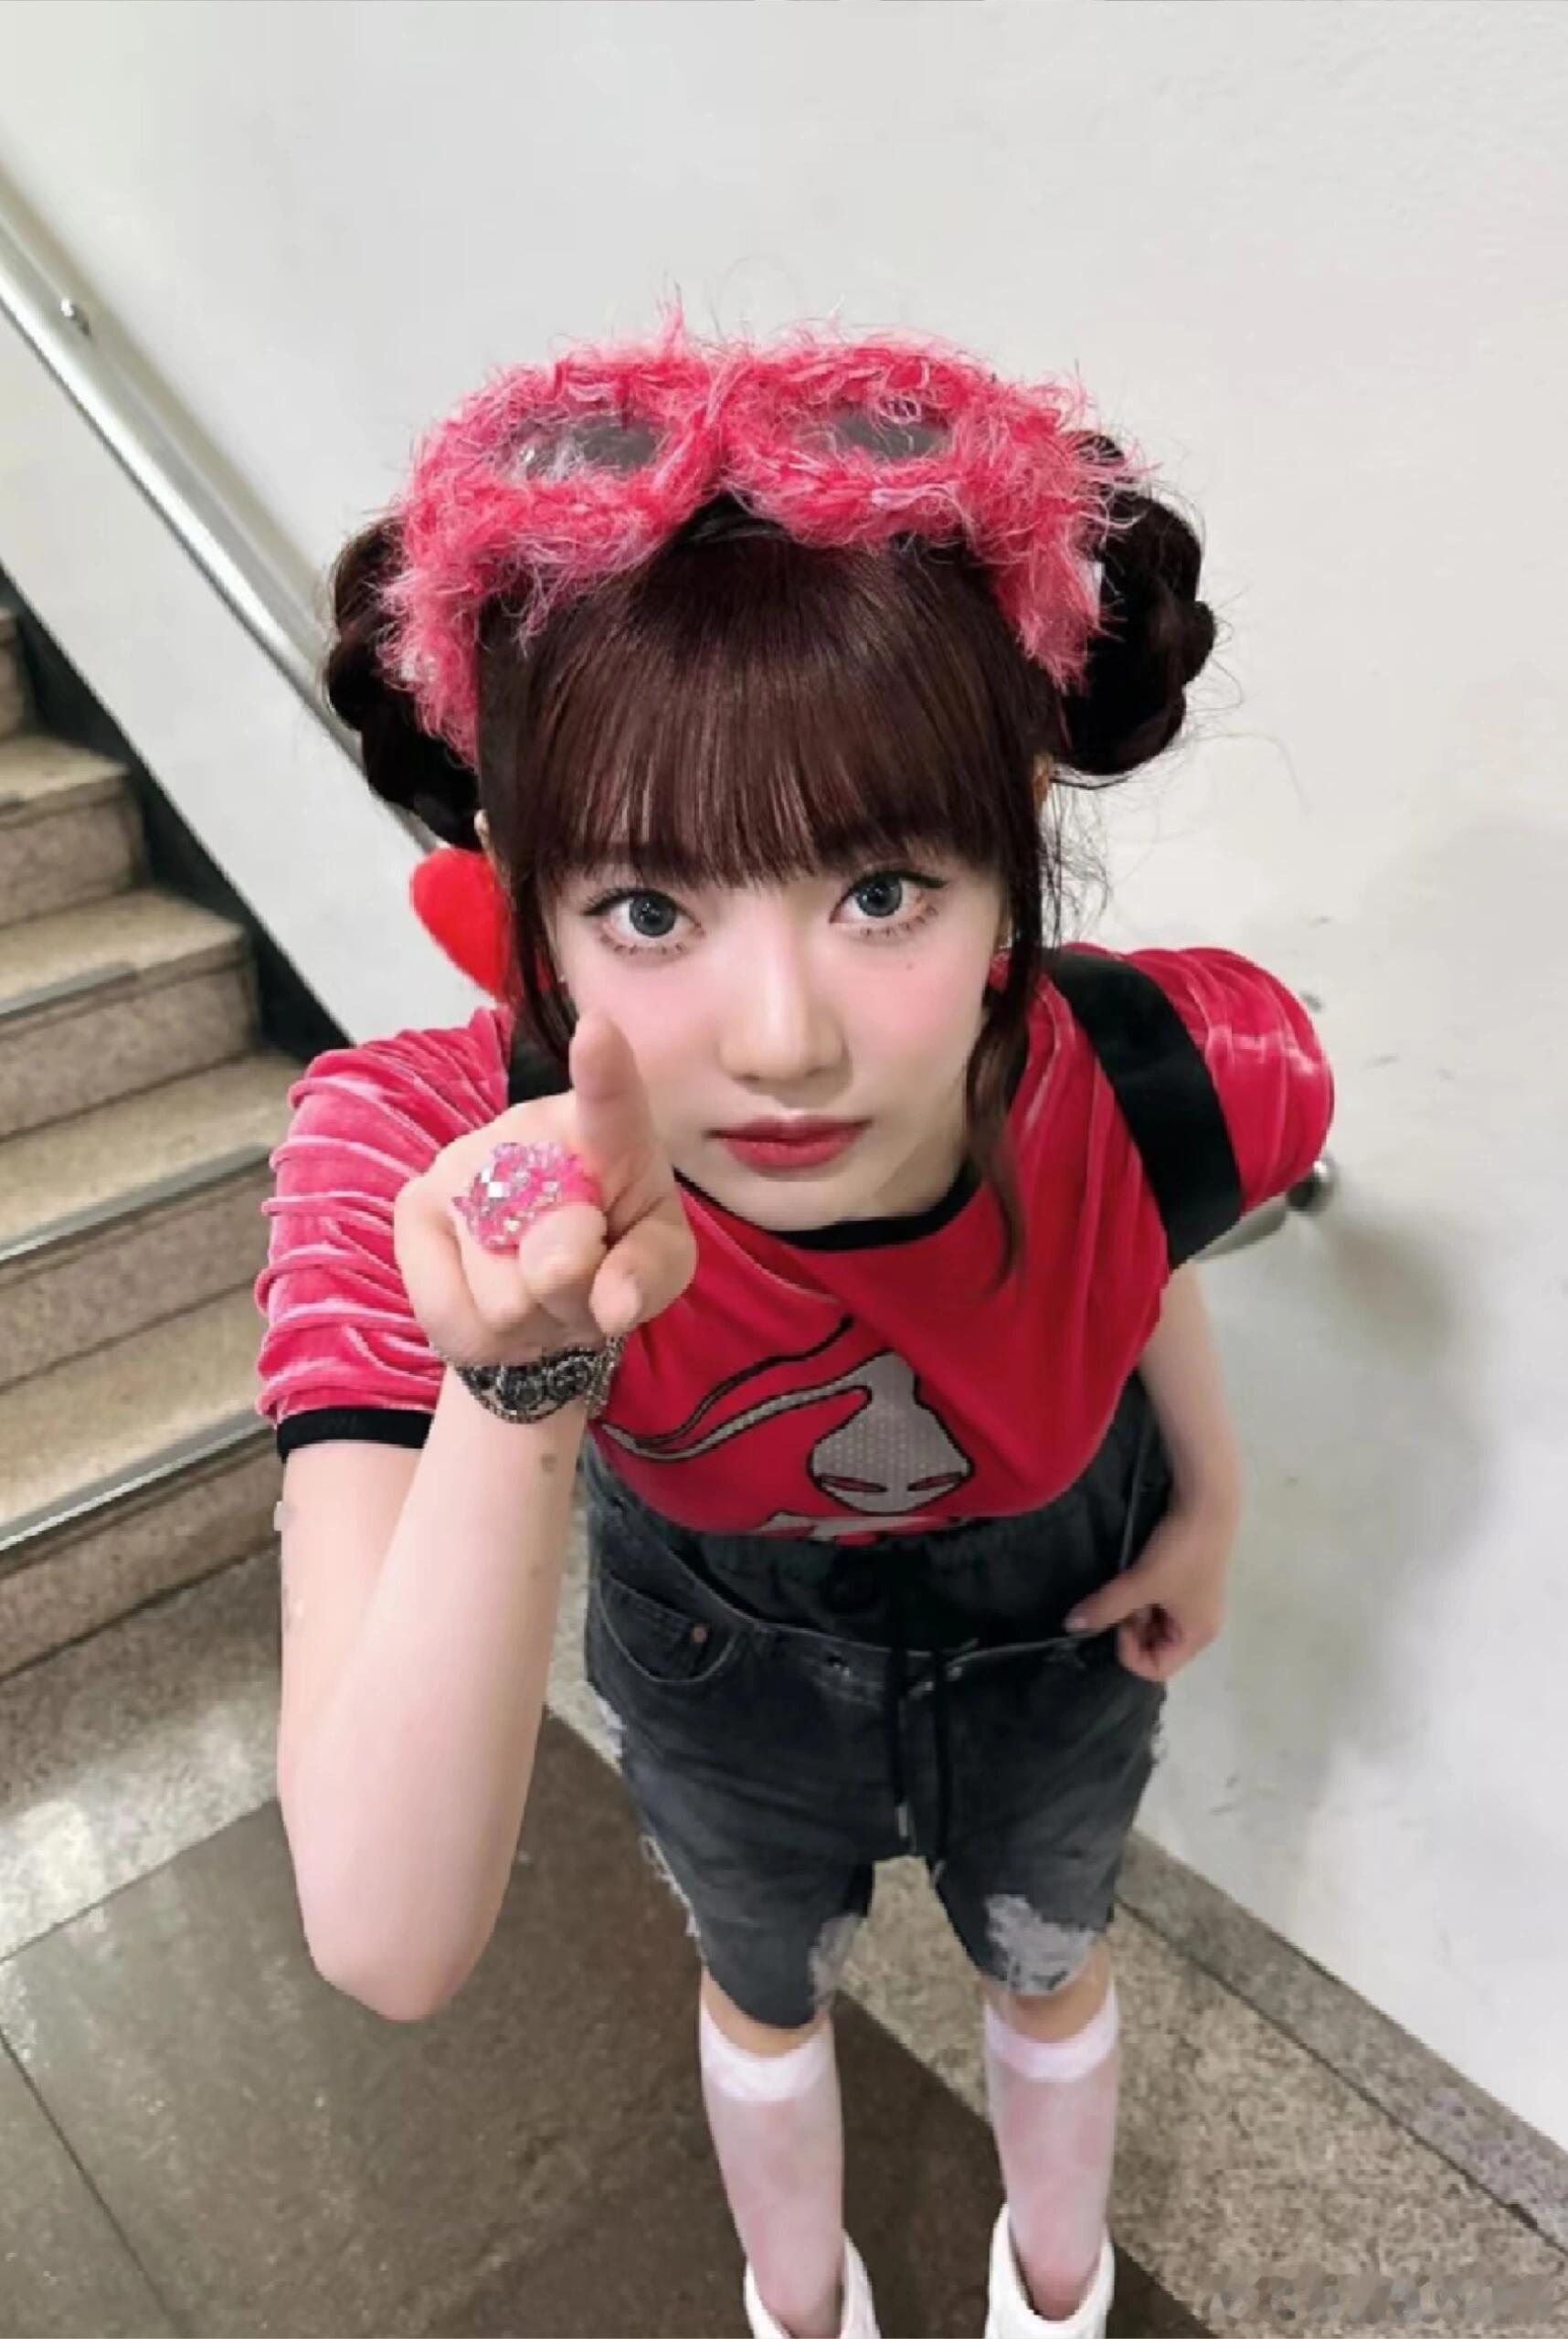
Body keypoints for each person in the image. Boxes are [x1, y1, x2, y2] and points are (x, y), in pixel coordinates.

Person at [255, 314, 1335, 2339]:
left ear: (1014, 841)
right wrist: (522, 1372)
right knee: (761, 1984)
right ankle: (796, 2303)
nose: (779, 1040)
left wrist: (1209, 1494)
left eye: (883, 889)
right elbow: (387, 1934)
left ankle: (1058, 2288)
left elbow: (1126, 1243)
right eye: (650, 910)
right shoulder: (429, 1164)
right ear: (521, 901)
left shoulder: (1175, 1071)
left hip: (1060, 1616)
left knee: (1051, 1960)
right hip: (713, 1650)